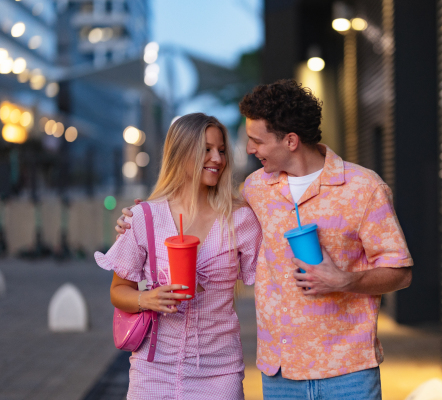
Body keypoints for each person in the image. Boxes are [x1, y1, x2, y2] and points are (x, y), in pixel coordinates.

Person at [117, 79, 413, 400]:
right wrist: (140, 218)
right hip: (280, 374)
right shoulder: (257, 189)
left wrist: (343, 279)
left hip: (347, 368)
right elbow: (202, 202)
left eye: (256, 140)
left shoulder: (363, 188)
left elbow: (401, 273)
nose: (247, 149)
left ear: (290, 141)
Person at [98, 113, 261, 400]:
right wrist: (145, 299)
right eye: (207, 149)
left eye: (221, 150)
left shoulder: (240, 219)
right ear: (182, 153)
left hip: (219, 369)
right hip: (153, 368)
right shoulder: (144, 217)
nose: (218, 158)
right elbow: (118, 291)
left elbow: (270, 281)